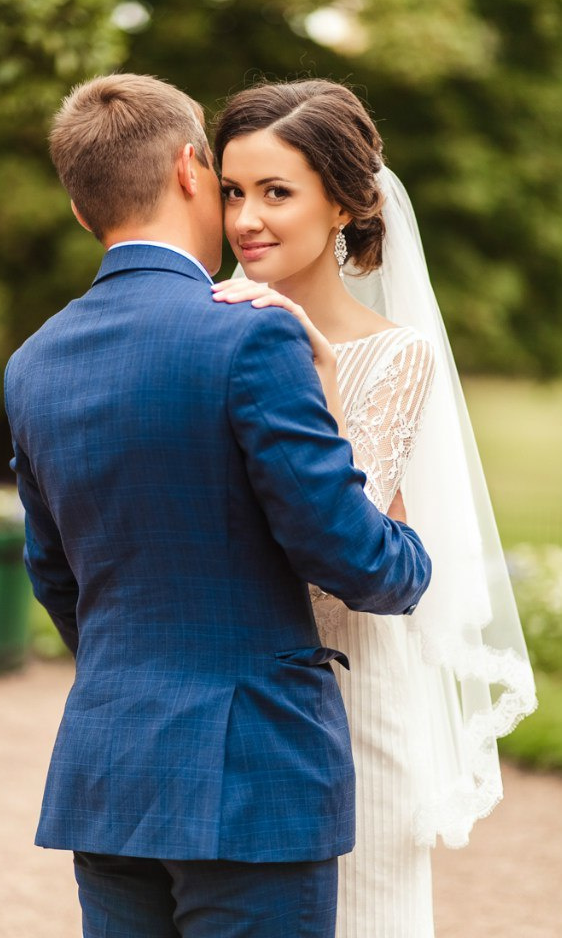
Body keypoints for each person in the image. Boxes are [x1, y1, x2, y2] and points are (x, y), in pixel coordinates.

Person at [4, 73, 432, 938]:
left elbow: (55, 577)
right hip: (256, 780)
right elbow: (359, 563)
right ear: (192, 169)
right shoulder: (253, 334)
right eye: (234, 186)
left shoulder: (33, 362)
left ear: (85, 213)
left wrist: (141, 676)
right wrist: (411, 551)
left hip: (111, 769)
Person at [212, 78, 537, 938]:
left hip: (355, 703)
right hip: (235, 700)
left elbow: (334, 539)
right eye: (232, 191)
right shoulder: (203, 326)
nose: (246, 218)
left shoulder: (393, 357)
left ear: (346, 206)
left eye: (276, 193)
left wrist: (309, 369)